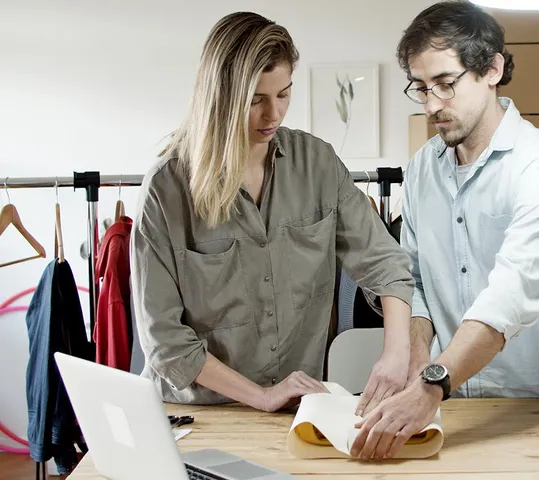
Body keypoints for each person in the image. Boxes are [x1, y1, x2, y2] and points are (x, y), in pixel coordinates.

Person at [350, 1, 539, 460]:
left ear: (492, 69)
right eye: (421, 88)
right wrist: (419, 352)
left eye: (445, 84)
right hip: (459, 408)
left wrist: (431, 385)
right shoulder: (424, 167)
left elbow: (510, 294)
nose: (431, 105)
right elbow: (415, 277)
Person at [130, 11, 414, 414]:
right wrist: (261, 395)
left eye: (284, 94)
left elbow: (385, 263)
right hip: (202, 412)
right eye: (255, 100)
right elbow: (165, 342)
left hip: (294, 410)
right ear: (221, 97)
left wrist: (396, 352)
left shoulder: (317, 164)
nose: (274, 115)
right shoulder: (167, 189)